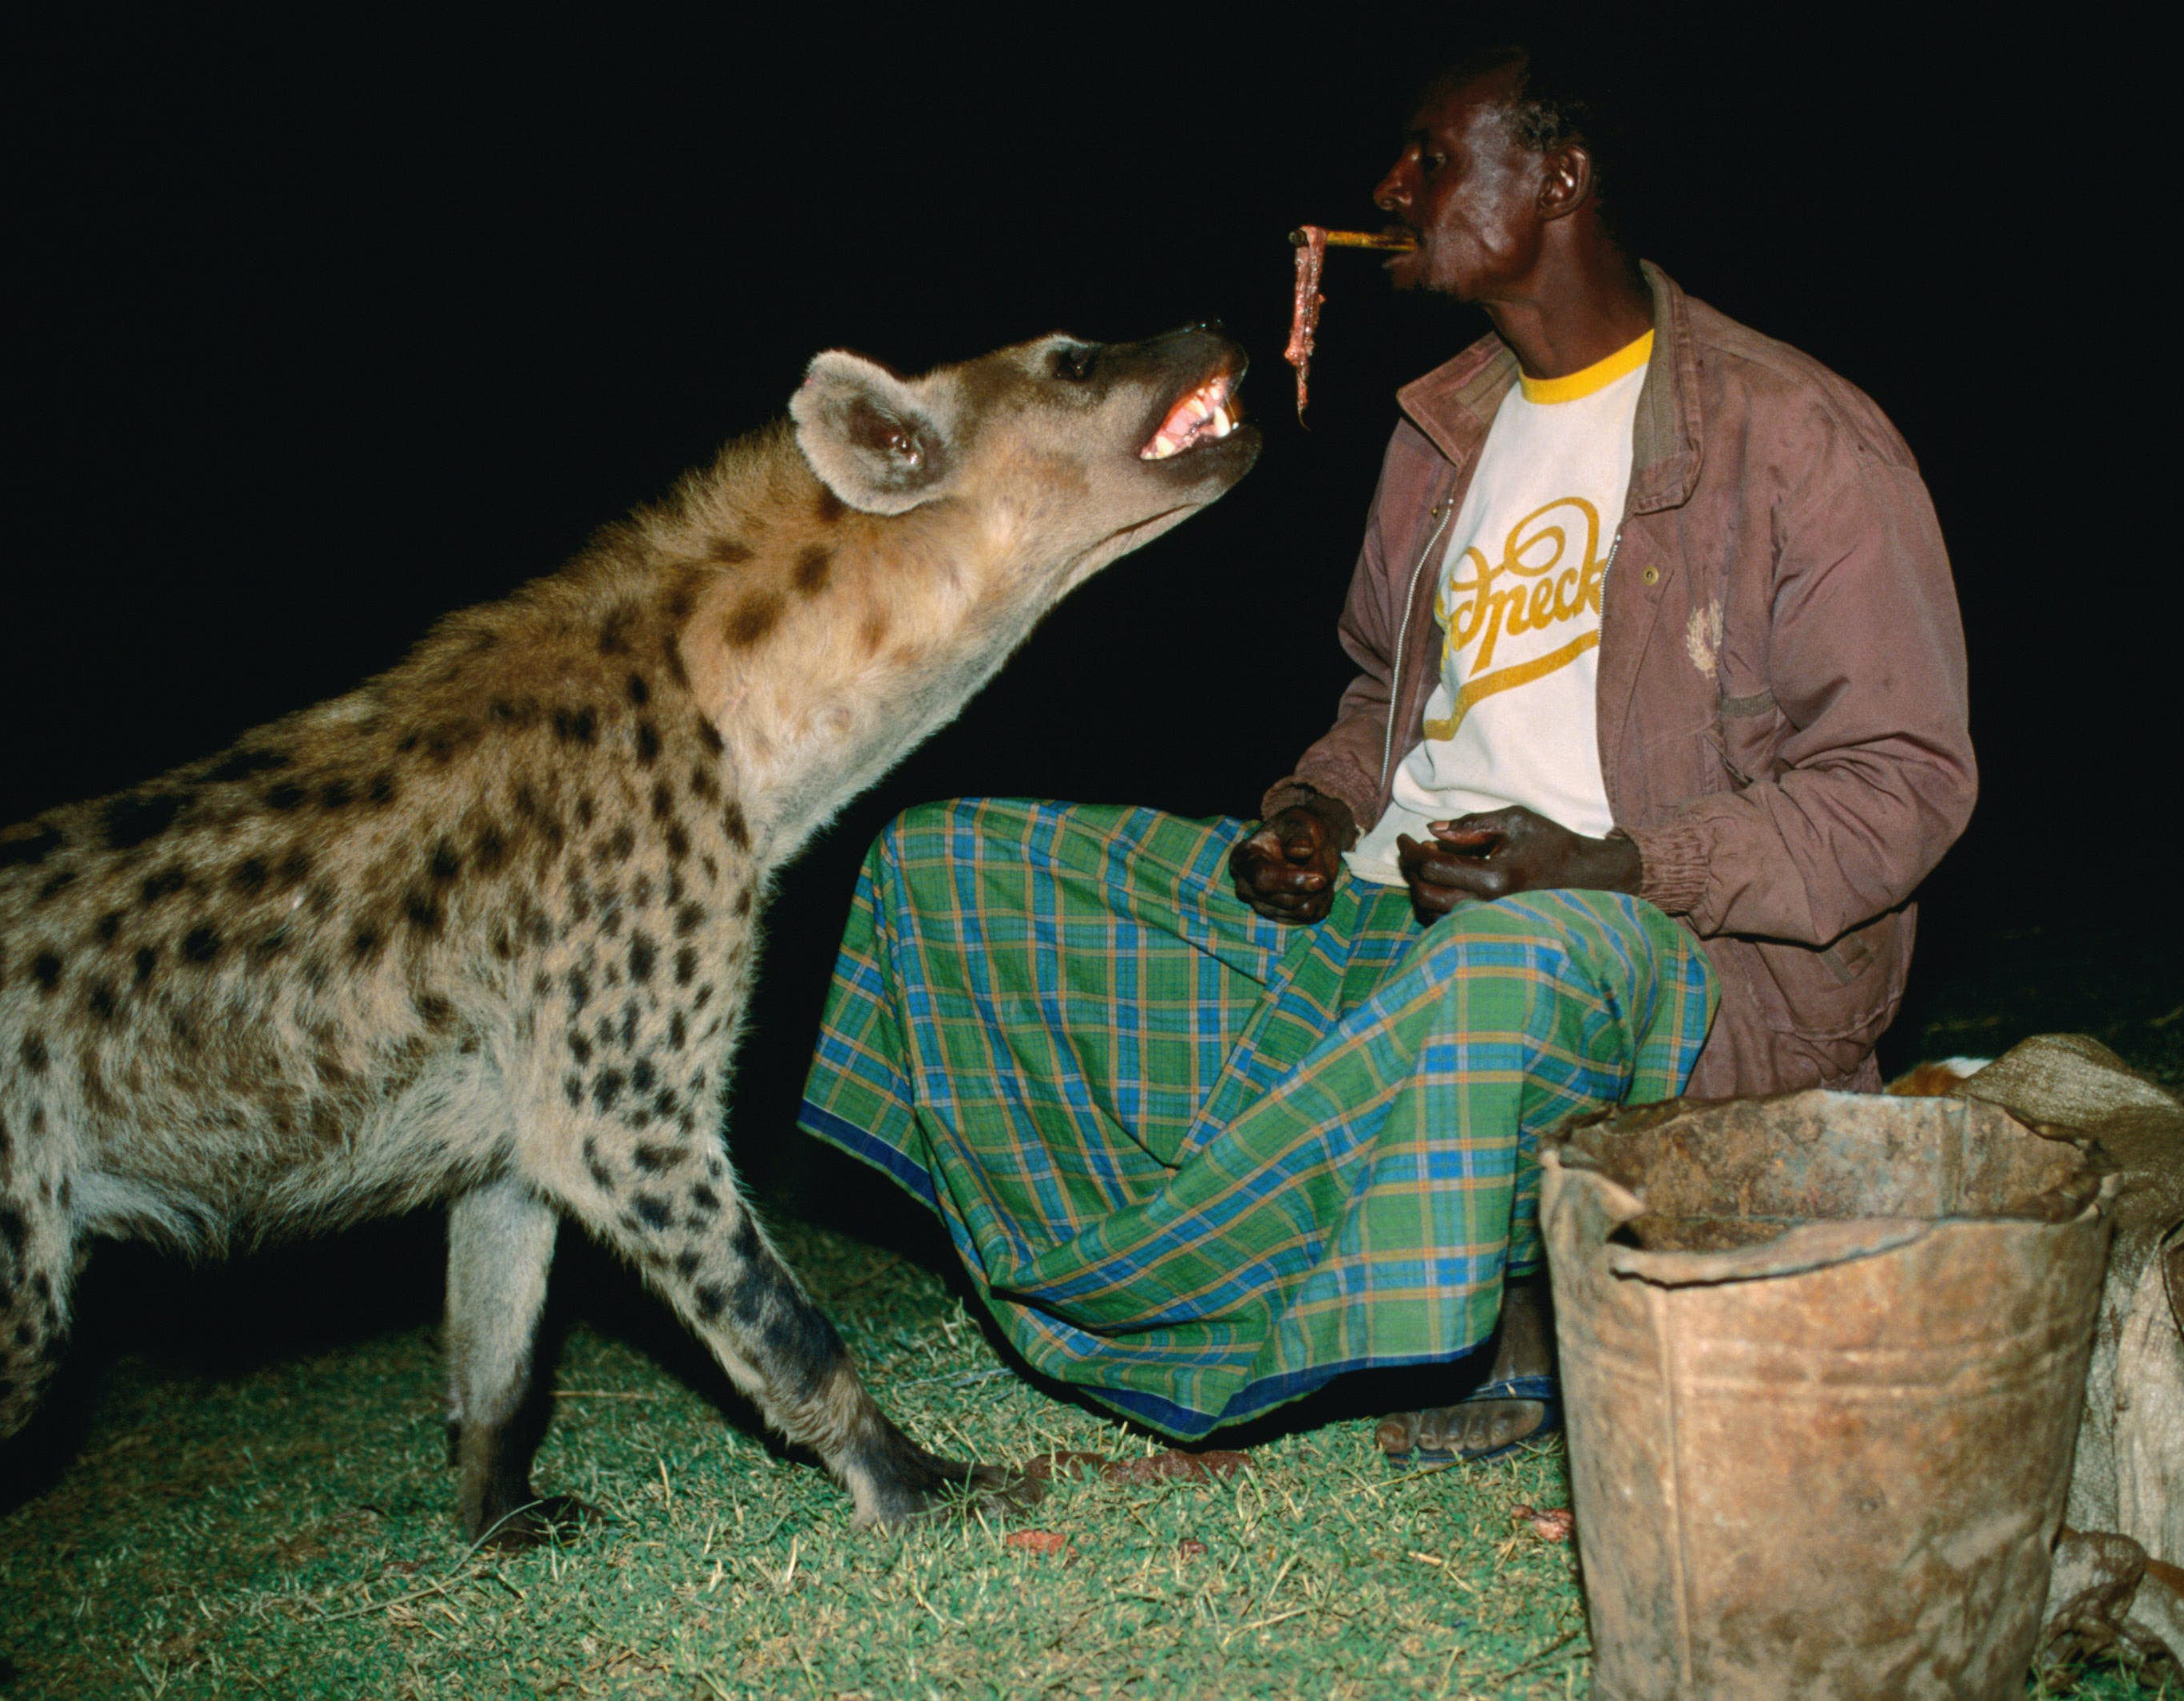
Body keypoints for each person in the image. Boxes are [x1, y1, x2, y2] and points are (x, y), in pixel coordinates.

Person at [795, 45, 1974, 1468]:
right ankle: (1138, 1268)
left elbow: (1904, 780)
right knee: (948, 868)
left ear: (1559, 181)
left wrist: (1618, 866)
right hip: (1397, 910)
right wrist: (1314, 807)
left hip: (1656, 956)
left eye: (1431, 158)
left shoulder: (1792, 435)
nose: (1388, 188)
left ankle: (1482, 1317)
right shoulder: (1443, 429)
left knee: (1510, 957)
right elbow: (1380, 698)